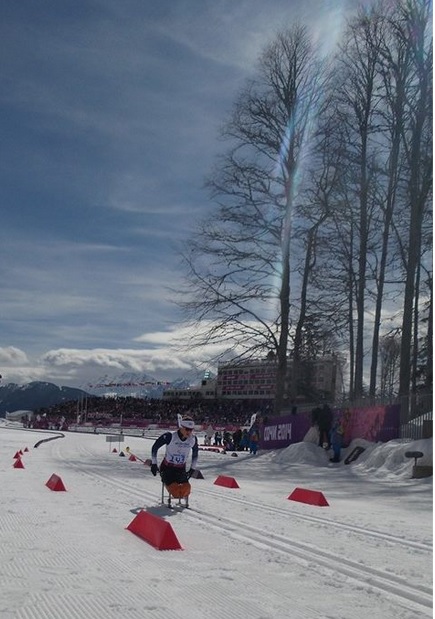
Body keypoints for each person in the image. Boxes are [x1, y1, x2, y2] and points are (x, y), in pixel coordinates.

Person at [150, 416, 199, 503]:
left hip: (180, 469)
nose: (189, 432)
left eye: (191, 430)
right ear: (181, 427)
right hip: (167, 468)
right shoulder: (170, 436)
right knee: (175, 490)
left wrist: (192, 468)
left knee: (187, 489)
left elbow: (195, 454)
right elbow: (155, 447)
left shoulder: (193, 439)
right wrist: (154, 464)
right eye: (187, 429)